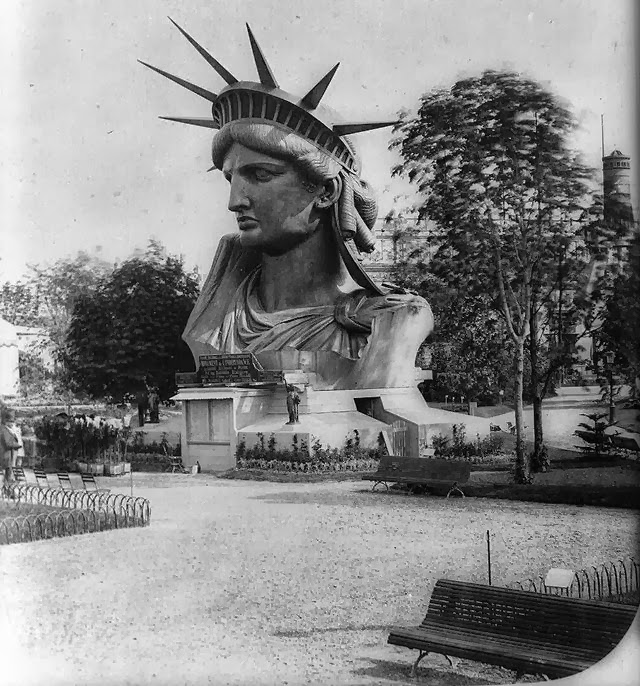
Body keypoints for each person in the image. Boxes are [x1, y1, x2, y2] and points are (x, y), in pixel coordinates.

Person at [144, 23, 433, 390]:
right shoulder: (218, 315)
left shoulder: (385, 320)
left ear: (325, 192)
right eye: (230, 178)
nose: (235, 201)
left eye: (260, 175)